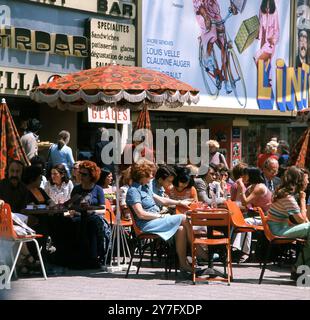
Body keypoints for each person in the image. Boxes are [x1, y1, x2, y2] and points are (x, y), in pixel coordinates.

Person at [126, 161, 201, 274]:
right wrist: (161, 216)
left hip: (154, 220)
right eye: (150, 174)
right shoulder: (133, 191)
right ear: (142, 175)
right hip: (146, 224)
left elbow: (161, 200)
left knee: (180, 230)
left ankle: (183, 264)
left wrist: (179, 203)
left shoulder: (145, 187)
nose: (152, 176)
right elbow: (141, 214)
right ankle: (198, 251)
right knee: (183, 218)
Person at [266, 166, 310, 280]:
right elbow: (301, 219)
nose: (308, 181)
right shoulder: (288, 197)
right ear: (298, 180)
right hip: (278, 231)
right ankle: (299, 267)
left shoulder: (283, 193)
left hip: (278, 228)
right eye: (305, 179)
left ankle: (299, 268)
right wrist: (302, 199)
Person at [193, 0, 238, 93]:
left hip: (214, 13)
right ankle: (207, 56)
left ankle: (226, 80)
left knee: (224, 45)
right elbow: (198, 5)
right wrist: (205, 16)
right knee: (212, 31)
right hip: (203, 13)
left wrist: (233, 6)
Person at [254, 0, 280, 83]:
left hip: (270, 43)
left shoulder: (275, 12)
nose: (268, 9)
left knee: (257, 58)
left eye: (269, 8)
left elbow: (277, 30)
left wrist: (273, 40)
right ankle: (268, 81)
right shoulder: (261, 10)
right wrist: (258, 34)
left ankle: (266, 80)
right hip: (262, 41)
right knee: (266, 63)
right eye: (266, 7)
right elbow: (260, 25)